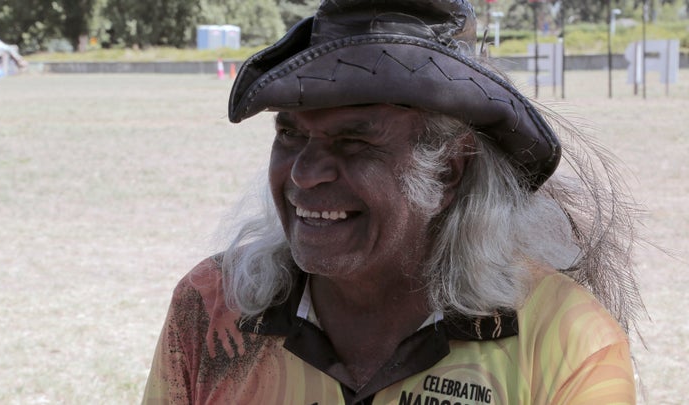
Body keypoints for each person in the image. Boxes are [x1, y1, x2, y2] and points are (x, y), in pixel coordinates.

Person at [142, 0, 643, 403]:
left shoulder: (565, 343)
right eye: (290, 134)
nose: (304, 173)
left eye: (354, 141)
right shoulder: (212, 307)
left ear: (450, 168)